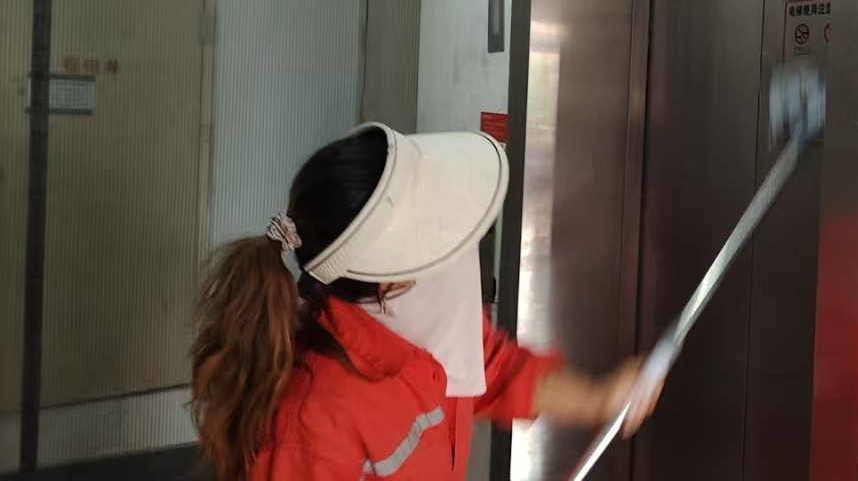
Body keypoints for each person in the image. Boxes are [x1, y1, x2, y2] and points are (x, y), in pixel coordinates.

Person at [191, 123, 662, 480]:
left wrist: (600, 399)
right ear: (386, 280)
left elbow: (495, 371)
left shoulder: (421, 316)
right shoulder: (313, 420)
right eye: (433, 232)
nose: (455, 247)